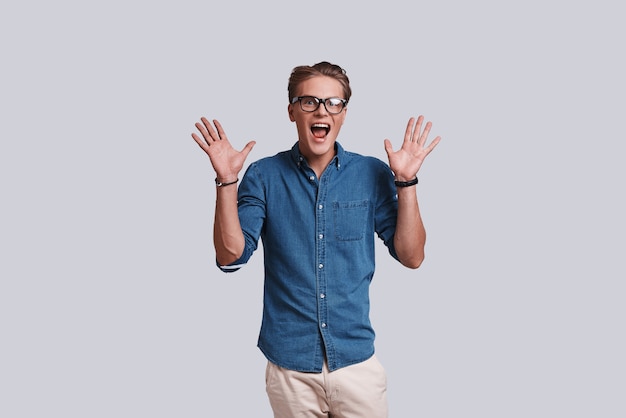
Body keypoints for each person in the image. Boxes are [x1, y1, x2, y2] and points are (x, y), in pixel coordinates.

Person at [191, 61, 440, 418]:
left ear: (343, 113)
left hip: (356, 364)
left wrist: (406, 183)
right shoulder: (263, 175)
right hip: (291, 367)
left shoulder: (371, 173)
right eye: (309, 102)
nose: (321, 110)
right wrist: (227, 182)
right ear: (292, 110)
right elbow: (231, 254)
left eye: (332, 103)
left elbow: (412, 255)